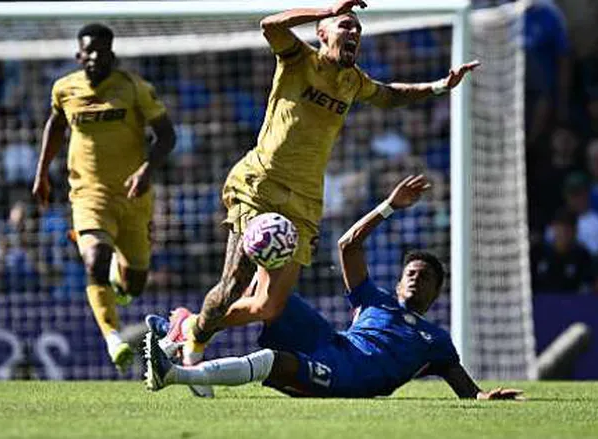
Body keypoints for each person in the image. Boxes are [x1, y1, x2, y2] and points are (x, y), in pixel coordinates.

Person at [163, 0, 480, 379]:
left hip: (305, 204)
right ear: (323, 33)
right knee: (234, 285)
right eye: (346, 26)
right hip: (261, 185)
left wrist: (439, 85)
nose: (354, 34)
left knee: (268, 305)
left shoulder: (352, 81)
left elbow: (390, 95)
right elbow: (270, 26)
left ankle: (189, 329)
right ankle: (194, 346)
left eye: (358, 31)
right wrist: (326, 9)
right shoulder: (299, 60)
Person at [144, 175, 522, 400]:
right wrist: (388, 206)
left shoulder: (436, 340)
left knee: (276, 363)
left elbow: (468, 390)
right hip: (332, 339)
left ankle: (177, 374)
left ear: (437, 292)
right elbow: (347, 245)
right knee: (268, 291)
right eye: (411, 272)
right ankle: (188, 332)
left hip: (352, 377)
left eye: (425, 277)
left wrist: (486, 397)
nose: (415, 278)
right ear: (397, 279)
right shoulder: (374, 300)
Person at [32, 23, 176, 371]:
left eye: (101, 51)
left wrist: (146, 170)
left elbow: (167, 136)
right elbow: (56, 126)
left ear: (112, 54)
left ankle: (118, 279)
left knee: (135, 285)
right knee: (94, 258)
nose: (95, 57)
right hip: (87, 194)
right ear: (78, 55)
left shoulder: (134, 88)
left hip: (133, 195)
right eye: (88, 51)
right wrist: (41, 172)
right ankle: (113, 339)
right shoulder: (64, 89)